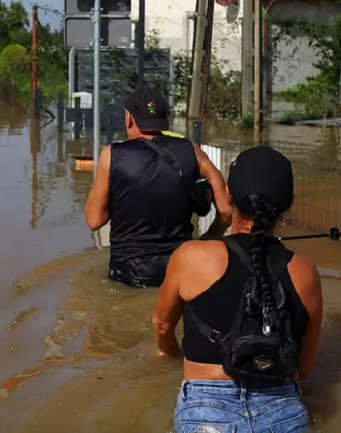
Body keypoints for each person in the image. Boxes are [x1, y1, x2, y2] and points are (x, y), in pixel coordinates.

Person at [152, 145, 324, 433]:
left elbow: (161, 327)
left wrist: (169, 354)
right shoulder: (306, 271)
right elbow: (304, 370)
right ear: (289, 203)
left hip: (206, 412)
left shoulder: (192, 256)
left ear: (229, 195)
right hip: (283, 413)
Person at [83, 85, 232, 288]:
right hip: (180, 270)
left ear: (129, 118)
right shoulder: (192, 151)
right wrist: (210, 236)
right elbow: (225, 210)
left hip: (127, 274)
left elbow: (94, 219)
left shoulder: (112, 155)